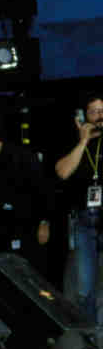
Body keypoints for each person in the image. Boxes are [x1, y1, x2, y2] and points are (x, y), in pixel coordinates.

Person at [0, 115, 52, 277]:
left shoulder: (21, 157)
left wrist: (44, 222)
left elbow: (42, 189)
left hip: (26, 228)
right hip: (2, 231)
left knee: (28, 273)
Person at [54, 93, 103, 327]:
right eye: (94, 112)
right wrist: (83, 142)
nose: (100, 116)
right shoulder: (74, 144)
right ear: (83, 118)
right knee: (85, 287)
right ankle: (91, 336)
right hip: (84, 221)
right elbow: (63, 172)